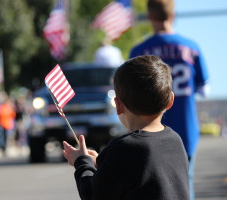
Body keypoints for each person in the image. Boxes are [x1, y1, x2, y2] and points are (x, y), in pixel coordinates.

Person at [63, 55, 189, 200]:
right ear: (170, 101)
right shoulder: (175, 141)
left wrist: (82, 163)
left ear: (118, 105)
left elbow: (93, 195)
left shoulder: (122, 148)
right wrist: (102, 163)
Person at [129, 1, 209, 199]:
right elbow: (204, 89)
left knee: (148, 184)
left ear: (149, 17)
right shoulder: (191, 48)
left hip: (148, 128)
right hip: (185, 126)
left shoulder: (139, 52)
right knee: (184, 182)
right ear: (173, 15)